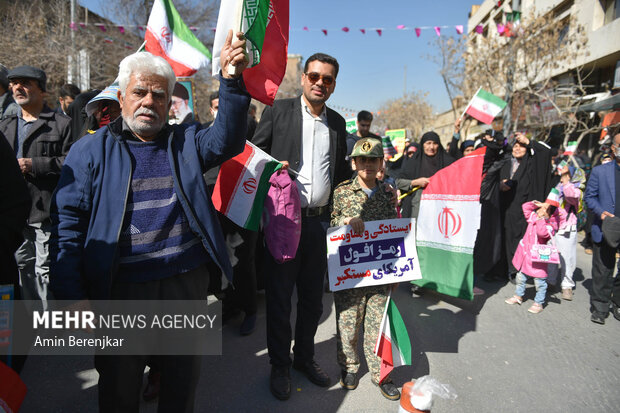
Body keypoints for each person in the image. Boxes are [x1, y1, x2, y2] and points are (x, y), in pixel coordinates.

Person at [50, 31, 250, 412]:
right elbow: (67, 228)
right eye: (140, 92)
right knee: (120, 392)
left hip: (183, 288)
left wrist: (231, 80)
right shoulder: (89, 151)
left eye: (159, 95)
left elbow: (228, 140)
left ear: (170, 102)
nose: (149, 102)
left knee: (180, 387)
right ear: (121, 96)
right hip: (121, 291)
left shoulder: (185, 141)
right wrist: (74, 297)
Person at [252, 52, 349, 401]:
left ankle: (303, 359)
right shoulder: (278, 112)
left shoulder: (337, 124)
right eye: (314, 76)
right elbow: (253, 157)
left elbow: (343, 176)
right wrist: (271, 167)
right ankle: (280, 365)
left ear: (334, 85)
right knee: (279, 299)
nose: (320, 83)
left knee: (312, 301)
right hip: (282, 223)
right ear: (303, 77)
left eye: (328, 79)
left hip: (320, 225)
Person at [330, 137, 400, 400]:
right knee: (348, 324)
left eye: (373, 160)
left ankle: (382, 375)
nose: (368, 165)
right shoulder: (342, 192)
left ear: (381, 163)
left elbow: (394, 235)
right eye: (362, 160)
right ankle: (349, 367)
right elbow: (332, 222)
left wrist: (396, 274)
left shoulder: (387, 193)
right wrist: (345, 220)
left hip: (380, 274)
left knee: (378, 327)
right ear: (354, 163)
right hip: (350, 273)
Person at [0, 65, 72, 311]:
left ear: (42, 90)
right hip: (14, 217)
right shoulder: (6, 125)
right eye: (14, 83)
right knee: (22, 269)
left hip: (45, 213)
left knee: (45, 271)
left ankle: (51, 323)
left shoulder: (61, 125)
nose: (18, 88)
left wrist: (35, 165)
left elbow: (72, 163)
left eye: (26, 83)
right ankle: (31, 322)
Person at [499, 132, 553, 283]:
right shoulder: (506, 163)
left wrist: (528, 141)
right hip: (507, 208)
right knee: (506, 239)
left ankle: (520, 270)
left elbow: (546, 152)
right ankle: (508, 269)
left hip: (524, 211)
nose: (517, 149)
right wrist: (501, 185)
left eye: (521, 146)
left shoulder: (531, 164)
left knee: (522, 241)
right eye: (515, 146)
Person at [584, 131, 620, 325]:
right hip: (606, 226)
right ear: (613, 148)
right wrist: (601, 212)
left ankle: (617, 301)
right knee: (603, 270)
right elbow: (589, 197)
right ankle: (600, 307)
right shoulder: (600, 172)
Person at [505, 201, 564, 313]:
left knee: (540, 283)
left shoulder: (550, 226)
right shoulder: (533, 217)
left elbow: (541, 233)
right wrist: (536, 204)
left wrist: (542, 219)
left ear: (550, 214)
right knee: (520, 278)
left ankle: (538, 303)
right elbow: (525, 207)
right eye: (541, 208)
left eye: (545, 209)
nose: (541, 210)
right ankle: (518, 296)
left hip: (538, 261)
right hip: (526, 257)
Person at [547, 163, 586, 300]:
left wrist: (566, 181)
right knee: (551, 256)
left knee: (567, 258)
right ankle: (550, 281)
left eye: (566, 171)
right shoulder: (558, 185)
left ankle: (567, 285)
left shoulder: (577, 190)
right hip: (554, 226)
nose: (562, 171)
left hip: (567, 228)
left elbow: (570, 197)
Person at [396, 131, 455, 219]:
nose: (431, 147)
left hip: (442, 209)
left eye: (435, 143)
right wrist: (415, 182)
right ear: (422, 145)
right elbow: (399, 182)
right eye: (428, 143)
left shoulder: (448, 162)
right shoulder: (414, 162)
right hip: (418, 209)